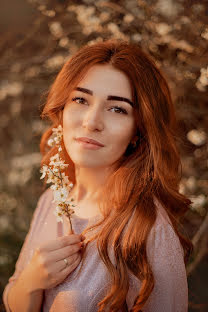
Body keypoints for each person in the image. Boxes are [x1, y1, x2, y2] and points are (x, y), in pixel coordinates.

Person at [3, 39, 193, 312]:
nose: (91, 122)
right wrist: (33, 281)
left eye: (117, 108)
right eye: (80, 99)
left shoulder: (148, 230)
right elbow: (13, 297)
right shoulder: (53, 200)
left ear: (138, 131)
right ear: (62, 109)